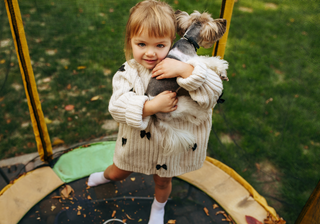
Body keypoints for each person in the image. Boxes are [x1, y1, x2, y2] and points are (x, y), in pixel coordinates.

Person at [88, 1, 223, 223]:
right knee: (118, 171)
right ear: (130, 42)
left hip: (167, 148)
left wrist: (186, 70)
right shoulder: (128, 72)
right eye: (141, 44)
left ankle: (158, 207)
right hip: (136, 145)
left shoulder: (189, 65)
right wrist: (150, 106)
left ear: (173, 43)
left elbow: (214, 93)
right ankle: (106, 177)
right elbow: (117, 106)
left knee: (162, 181)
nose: (150, 53)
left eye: (160, 46)